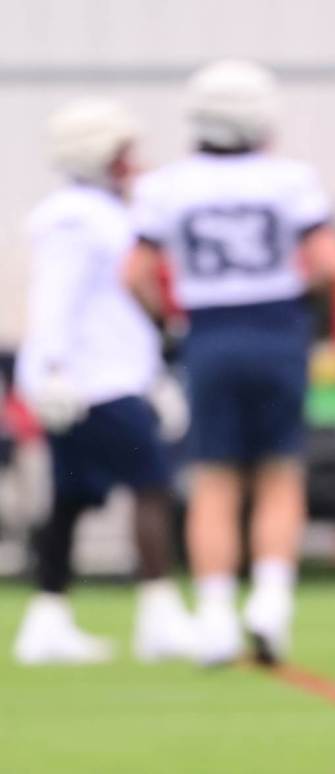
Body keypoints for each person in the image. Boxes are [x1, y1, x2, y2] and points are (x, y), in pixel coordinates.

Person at [124, 60, 335, 665]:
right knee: (279, 473)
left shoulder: (166, 186)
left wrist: (169, 325)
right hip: (277, 327)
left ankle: (217, 617)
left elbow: (136, 273)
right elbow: (330, 262)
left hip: (209, 333)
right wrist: (307, 311)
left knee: (214, 479)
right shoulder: (289, 179)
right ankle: (269, 603)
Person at [12, 99, 196, 664]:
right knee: (151, 483)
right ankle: (159, 612)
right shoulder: (76, 217)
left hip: (106, 376)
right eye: (122, 152)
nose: (133, 162)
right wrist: (52, 371)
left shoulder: (104, 210)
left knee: (71, 496)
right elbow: (54, 300)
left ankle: (47, 617)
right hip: (93, 381)